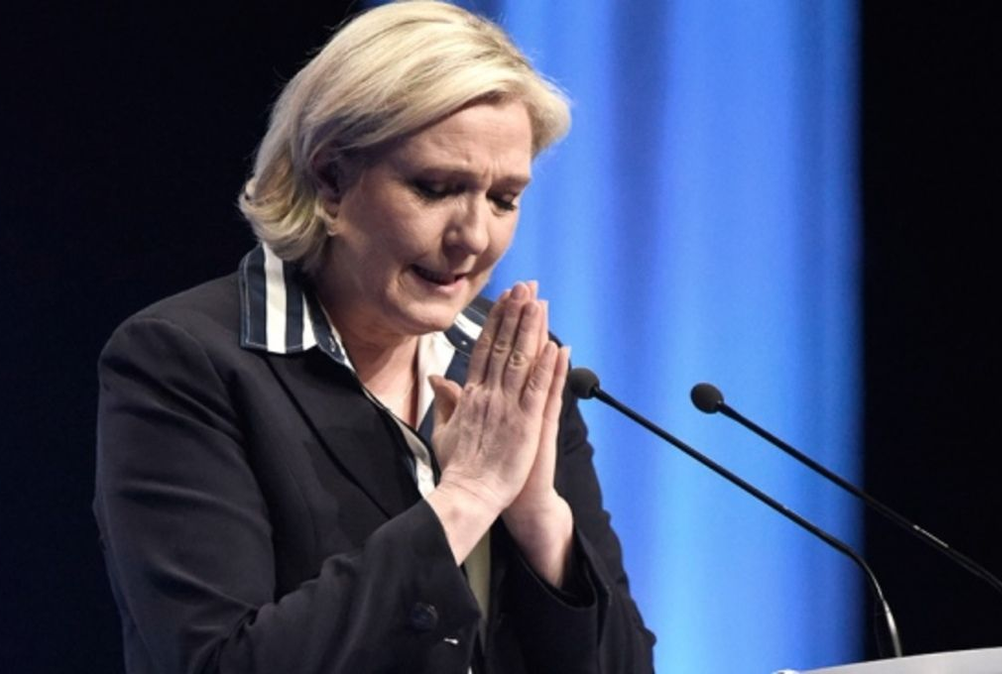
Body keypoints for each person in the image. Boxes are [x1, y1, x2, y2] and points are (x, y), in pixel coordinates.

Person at [93, 2, 655, 672]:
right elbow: (221, 664)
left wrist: (538, 519)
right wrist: (467, 498)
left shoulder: (506, 367)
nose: (474, 237)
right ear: (331, 180)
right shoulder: (187, 361)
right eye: (436, 188)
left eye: (504, 199)